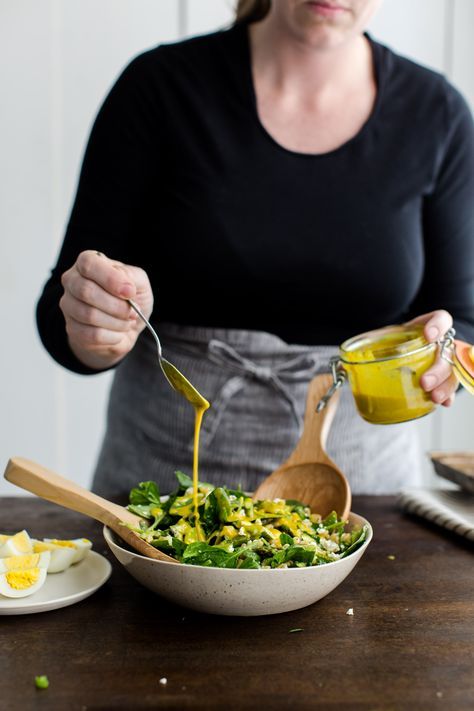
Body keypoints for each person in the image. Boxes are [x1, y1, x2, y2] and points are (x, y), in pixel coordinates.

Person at [36, 0, 474, 503]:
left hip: (363, 493)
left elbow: (465, 321)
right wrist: (95, 329)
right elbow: (59, 311)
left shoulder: (437, 113)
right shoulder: (159, 87)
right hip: (156, 497)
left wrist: (441, 358)